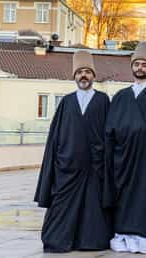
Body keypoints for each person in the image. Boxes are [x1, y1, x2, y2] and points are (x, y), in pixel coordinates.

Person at [34, 50, 112, 252]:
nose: (83, 76)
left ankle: (91, 242)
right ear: (74, 76)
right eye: (79, 72)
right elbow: (55, 138)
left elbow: (110, 133)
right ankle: (58, 241)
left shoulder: (103, 100)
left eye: (87, 72)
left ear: (94, 76)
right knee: (62, 208)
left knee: (93, 210)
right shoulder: (66, 102)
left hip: (95, 169)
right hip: (68, 168)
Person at [103, 42, 146, 253]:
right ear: (132, 67)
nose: (140, 68)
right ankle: (127, 233)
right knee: (126, 199)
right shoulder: (121, 97)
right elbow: (111, 129)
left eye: (144, 64)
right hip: (123, 161)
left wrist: (140, 134)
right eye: (137, 64)